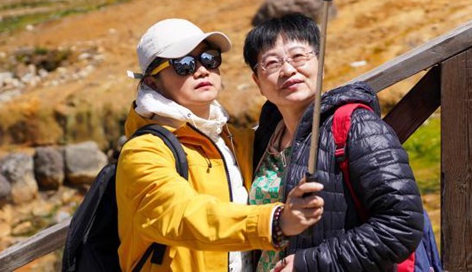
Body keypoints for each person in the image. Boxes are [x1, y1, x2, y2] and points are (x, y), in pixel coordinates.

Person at [116, 18, 324, 271]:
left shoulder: (238, 140)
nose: (201, 70)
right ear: (151, 82)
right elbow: (179, 214)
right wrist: (275, 222)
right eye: (183, 65)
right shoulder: (144, 151)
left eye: (209, 58)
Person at [245, 13, 424, 271]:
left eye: (298, 56)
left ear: (320, 61)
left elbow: (402, 224)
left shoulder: (357, 126)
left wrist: (310, 264)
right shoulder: (264, 138)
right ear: (257, 82)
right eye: (272, 63)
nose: (287, 70)